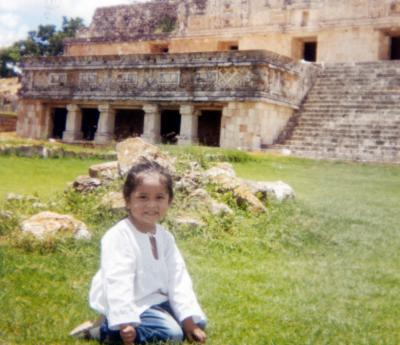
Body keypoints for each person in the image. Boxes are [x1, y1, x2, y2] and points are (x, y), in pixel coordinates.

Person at [89, 160, 207, 345]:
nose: (152, 205)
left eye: (159, 197)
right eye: (143, 197)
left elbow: (178, 277)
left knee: (198, 321)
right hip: (133, 302)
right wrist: (124, 321)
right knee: (172, 334)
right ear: (128, 200)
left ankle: (168, 320)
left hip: (156, 300)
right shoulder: (119, 236)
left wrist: (189, 321)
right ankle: (107, 329)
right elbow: (118, 280)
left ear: (170, 201)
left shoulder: (165, 237)